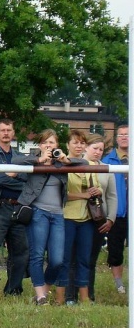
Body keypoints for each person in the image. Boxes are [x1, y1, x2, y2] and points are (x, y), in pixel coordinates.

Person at [13, 129, 87, 305]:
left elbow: (84, 162)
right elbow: (14, 161)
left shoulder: (61, 164)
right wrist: (39, 160)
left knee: (57, 260)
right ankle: (40, 296)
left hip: (58, 215)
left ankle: (44, 291)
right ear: (40, 145)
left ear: (57, 146)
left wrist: (65, 159)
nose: (49, 146)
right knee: (37, 254)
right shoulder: (34, 160)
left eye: (52, 143)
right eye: (45, 143)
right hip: (38, 212)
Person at [0, 118, 29, 296]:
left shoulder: (19, 157)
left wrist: (10, 179)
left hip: (18, 207)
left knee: (20, 251)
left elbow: (26, 181)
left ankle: (13, 289)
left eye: (9, 130)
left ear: (13, 133)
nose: (6, 133)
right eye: (2, 130)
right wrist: (15, 179)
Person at [56, 130, 95, 305]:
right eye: (75, 142)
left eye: (82, 143)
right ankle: (59, 297)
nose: (79, 146)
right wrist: (83, 195)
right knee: (63, 259)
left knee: (84, 259)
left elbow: (98, 187)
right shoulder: (62, 166)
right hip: (67, 217)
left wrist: (96, 191)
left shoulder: (91, 164)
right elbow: (61, 194)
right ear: (67, 145)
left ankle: (85, 298)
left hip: (86, 218)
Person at [81, 133, 118, 302]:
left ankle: (90, 292)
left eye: (101, 150)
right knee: (76, 257)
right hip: (78, 217)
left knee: (91, 258)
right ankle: (71, 292)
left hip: (98, 219)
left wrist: (110, 219)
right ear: (86, 147)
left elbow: (112, 196)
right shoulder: (75, 164)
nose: (98, 152)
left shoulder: (107, 169)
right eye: (95, 148)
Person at [101, 124, 128, 295]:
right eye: (121, 134)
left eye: (128, 134)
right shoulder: (107, 160)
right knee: (115, 250)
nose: (124, 137)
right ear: (116, 138)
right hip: (117, 213)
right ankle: (119, 286)